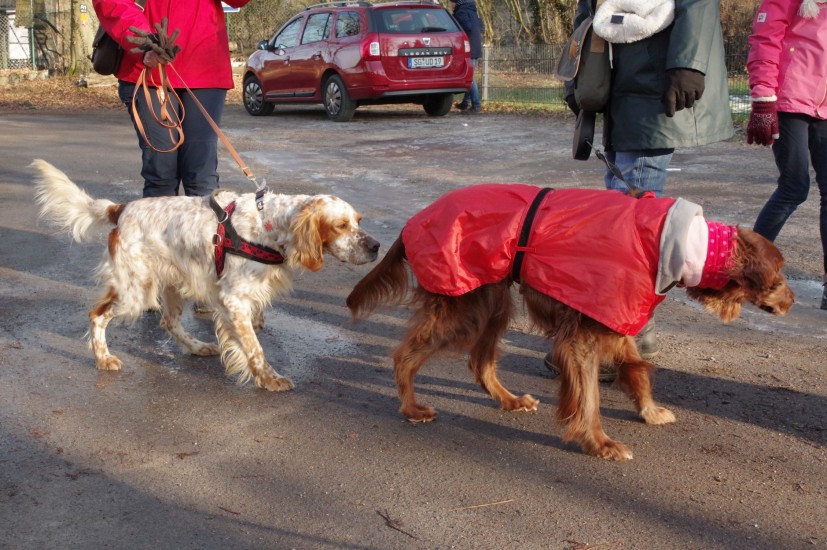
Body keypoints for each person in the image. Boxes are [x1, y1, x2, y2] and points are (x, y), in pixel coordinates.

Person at [549, 0, 735, 379]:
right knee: (622, 212)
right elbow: (590, 10)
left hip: (654, 83)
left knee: (633, 221)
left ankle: (619, 337)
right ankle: (632, 331)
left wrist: (688, 63)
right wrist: (578, 75)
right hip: (622, 84)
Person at [92, 0, 250, 198]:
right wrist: (144, 42)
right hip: (148, 68)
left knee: (202, 175)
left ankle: (205, 220)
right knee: (162, 174)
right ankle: (159, 218)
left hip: (205, 66)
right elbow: (113, 4)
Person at [746, 0, 827, 310]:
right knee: (794, 187)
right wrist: (763, 98)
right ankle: (748, 267)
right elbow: (766, 37)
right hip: (790, 97)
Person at [450, 0, 483, 114]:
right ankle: (465, 102)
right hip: (476, 45)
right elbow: (481, 27)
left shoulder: (461, 12)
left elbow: (466, 27)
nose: (451, 5)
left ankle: (476, 105)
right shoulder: (473, 10)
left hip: (469, 48)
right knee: (470, 75)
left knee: (470, 77)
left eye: (451, 2)